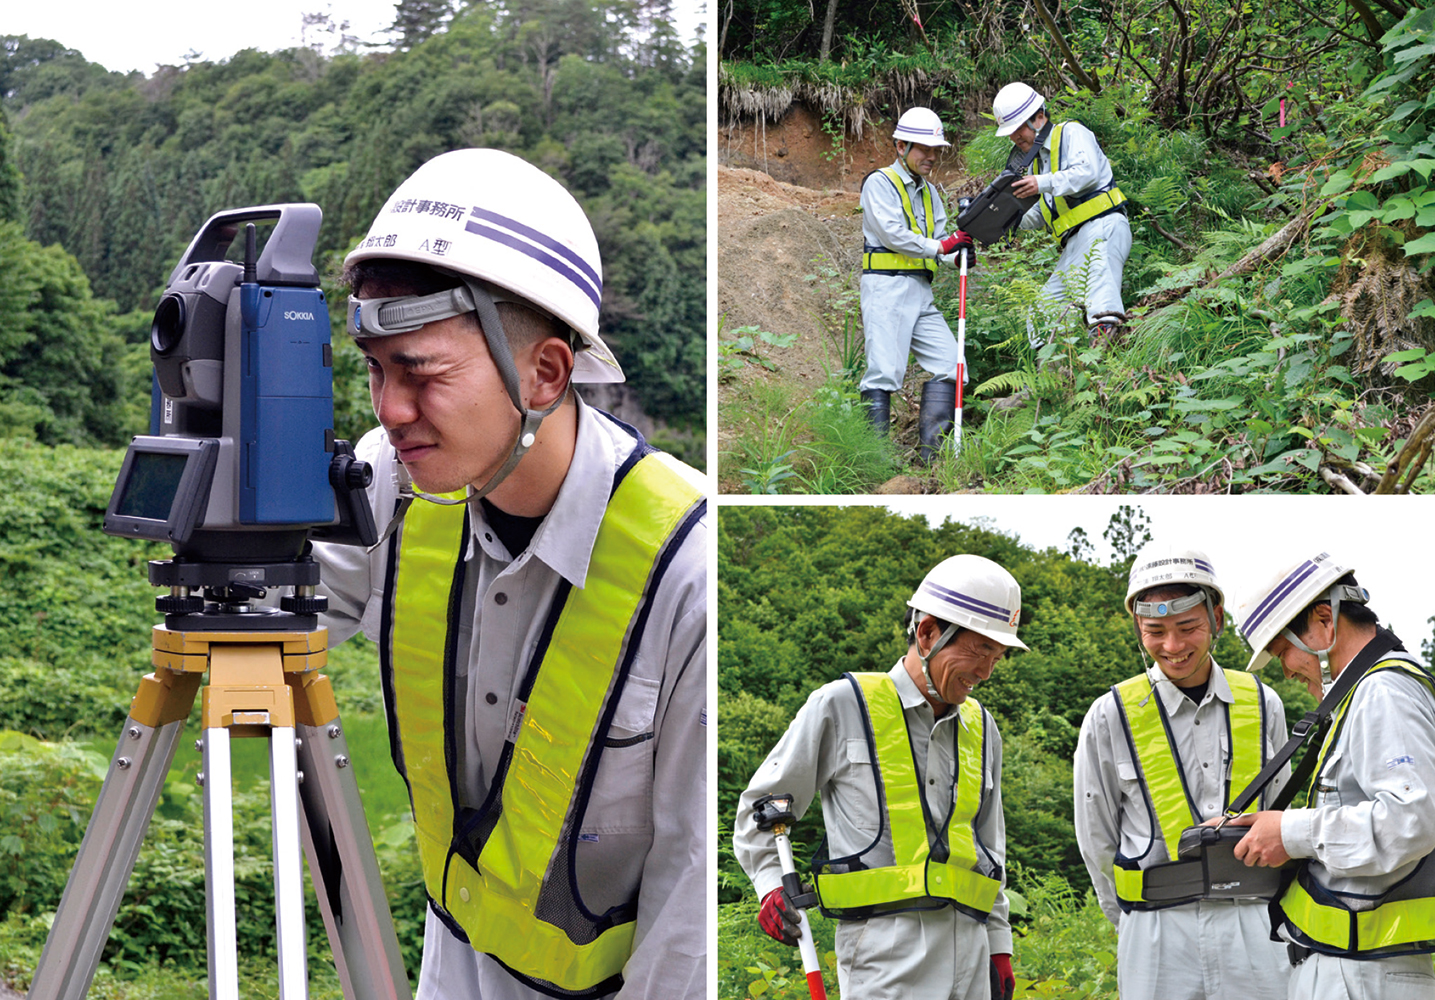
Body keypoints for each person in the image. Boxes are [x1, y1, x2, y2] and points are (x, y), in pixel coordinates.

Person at [310, 148, 708, 1000]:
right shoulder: (393, 481)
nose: (389, 411)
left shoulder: (690, 568)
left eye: (422, 374)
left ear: (545, 373)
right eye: (376, 372)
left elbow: (691, 898)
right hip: (450, 970)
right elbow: (287, 608)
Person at [734, 554, 1026, 1000]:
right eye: (979, 650)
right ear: (927, 632)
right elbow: (762, 807)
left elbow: (990, 847)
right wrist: (771, 888)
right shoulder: (842, 705)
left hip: (971, 954)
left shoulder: (983, 728)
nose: (986, 672)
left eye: (997, 656)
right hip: (884, 957)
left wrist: (999, 947)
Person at [1072, 542, 1291, 1000]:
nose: (1173, 647)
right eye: (1156, 631)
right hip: (1155, 929)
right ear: (1138, 627)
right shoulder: (1110, 714)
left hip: (1251, 921)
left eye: (1187, 627)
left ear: (1217, 619)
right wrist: (1130, 922)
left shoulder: (1262, 702)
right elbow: (1095, 836)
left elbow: (1280, 815)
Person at [1228, 553, 1435, 999]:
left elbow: (1412, 820)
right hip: (1356, 969)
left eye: (1283, 651)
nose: (1285, 669)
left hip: (1365, 976)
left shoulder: (1383, 691)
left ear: (1324, 621)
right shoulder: (1366, 693)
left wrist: (1291, 831)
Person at [859, 106, 977, 463]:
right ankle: (873, 461)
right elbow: (893, 234)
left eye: (935, 149)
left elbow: (942, 241)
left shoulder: (930, 193)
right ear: (900, 146)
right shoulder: (879, 183)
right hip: (886, 287)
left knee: (951, 364)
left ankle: (933, 460)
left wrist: (958, 256)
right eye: (924, 148)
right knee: (884, 373)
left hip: (920, 292)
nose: (932, 156)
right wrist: (942, 246)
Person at [992, 81, 1131, 344]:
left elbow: (1086, 173)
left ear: (1040, 117)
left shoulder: (1071, 133)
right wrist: (1003, 220)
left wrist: (1040, 183)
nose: (1015, 137)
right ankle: (1055, 374)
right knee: (1041, 314)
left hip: (1103, 226)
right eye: (1011, 132)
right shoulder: (1037, 163)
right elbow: (1043, 213)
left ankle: (1108, 358)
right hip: (1074, 244)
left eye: (1019, 127)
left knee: (1101, 298)